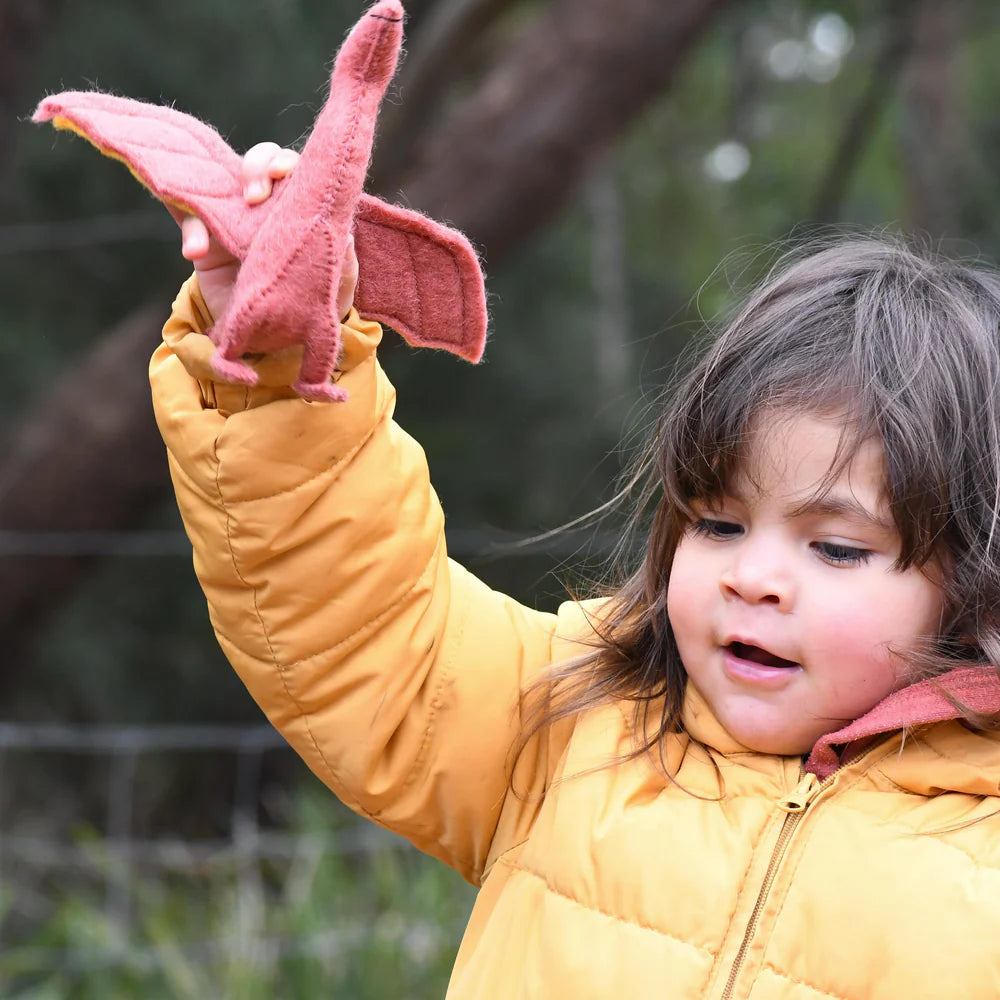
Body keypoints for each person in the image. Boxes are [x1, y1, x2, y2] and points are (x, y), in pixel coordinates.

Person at [151, 142, 1000, 998]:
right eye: (718, 522)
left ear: (974, 584)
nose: (754, 577)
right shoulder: (573, 711)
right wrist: (280, 362)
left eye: (835, 548)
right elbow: (363, 620)